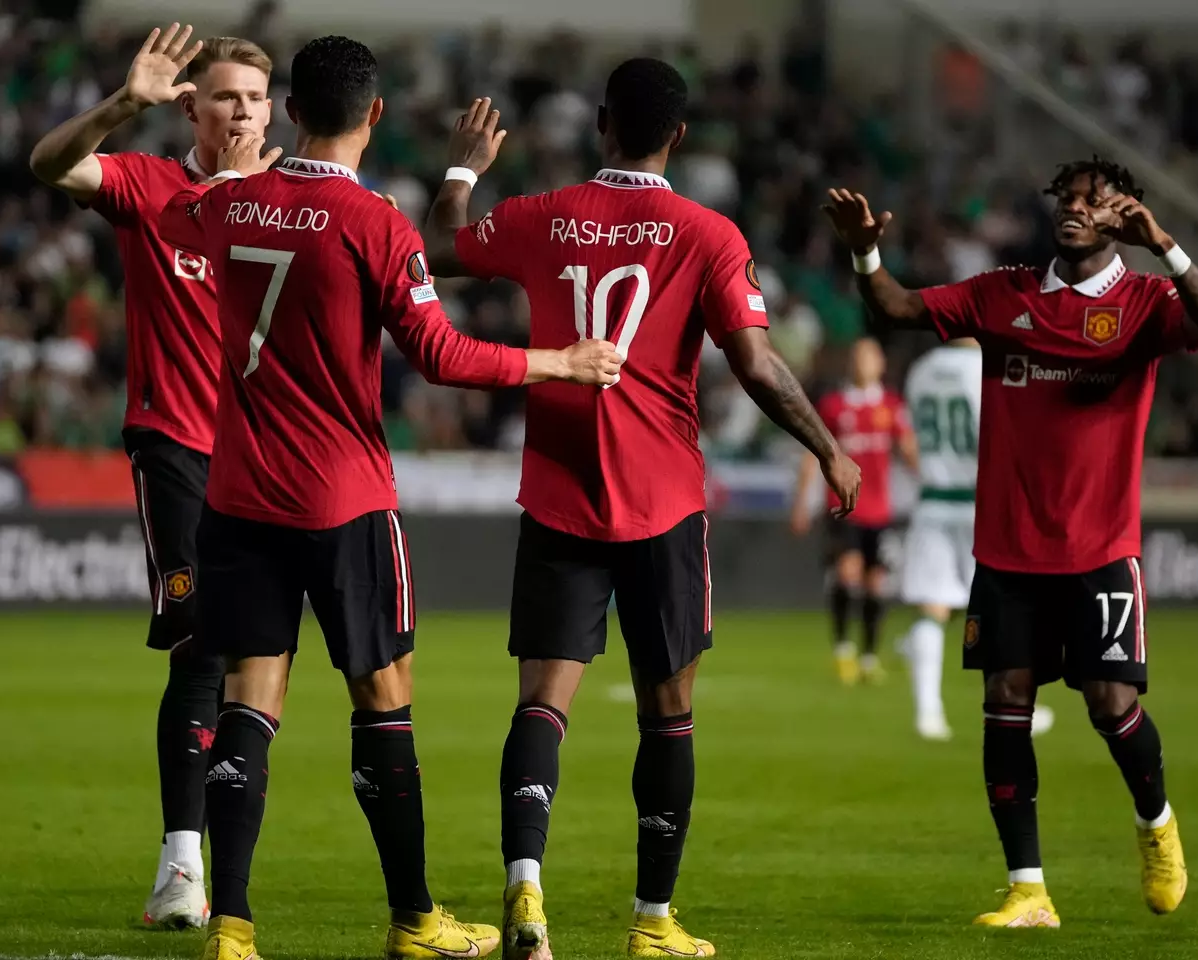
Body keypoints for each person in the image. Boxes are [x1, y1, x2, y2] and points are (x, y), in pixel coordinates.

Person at [155, 36, 622, 960]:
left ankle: (234, 926)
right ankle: (414, 919)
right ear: (374, 115)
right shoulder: (377, 226)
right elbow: (443, 357)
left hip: (240, 493)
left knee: (249, 699)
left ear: (290, 111)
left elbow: (182, 218)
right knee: (382, 699)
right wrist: (559, 361)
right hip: (344, 497)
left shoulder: (227, 205)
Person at [423, 62, 861, 959]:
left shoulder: (542, 215)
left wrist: (463, 173)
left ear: (599, 124)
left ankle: (527, 898)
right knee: (668, 714)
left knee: (542, 706)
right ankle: (653, 921)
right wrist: (827, 445)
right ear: (681, 138)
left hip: (556, 492)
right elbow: (756, 365)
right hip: (662, 503)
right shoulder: (707, 232)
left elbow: (440, 255)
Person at [824, 156, 1198, 926]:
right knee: (1003, 701)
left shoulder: (1145, 300)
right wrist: (864, 251)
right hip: (1008, 549)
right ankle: (1027, 888)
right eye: (1066, 198)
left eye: (1093, 201)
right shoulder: (1001, 292)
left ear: (1124, 215)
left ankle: (1157, 827)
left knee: (1112, 705)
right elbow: (895, 309)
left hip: (1101, 547)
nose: (1074, 209)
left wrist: (1166, 245)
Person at [29, 25, 274, 929]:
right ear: (191, 107)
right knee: (199, 646)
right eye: (224, 96)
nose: (242, 110)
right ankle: (182, 867)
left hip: (270, 456)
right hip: (176, 445)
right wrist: (121, 104)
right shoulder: (149, 185)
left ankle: (225, 869)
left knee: (261, 661)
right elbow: (51, 164)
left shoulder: (291, 204)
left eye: (255, 96)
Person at [898, 340, 1057, 742]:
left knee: (932, 609)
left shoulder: (920, 370)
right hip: (980, 503)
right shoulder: (985, 369)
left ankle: (927, 713)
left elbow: (912, 438)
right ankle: (1015, 706)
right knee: (1000, 608)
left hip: (933, 499)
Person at [792, 338, 917, 685]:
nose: (864, 362)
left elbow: (908, 450)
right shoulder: (833, 405)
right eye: (858, 355)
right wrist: (802, 502)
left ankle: (869, 656)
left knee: (876, 584)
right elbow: (810, 454)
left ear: (880, 364)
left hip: (881, 510)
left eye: (871, 356)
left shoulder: (891, 405)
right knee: (848, 574)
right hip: (843, 508)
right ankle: (843, 650)